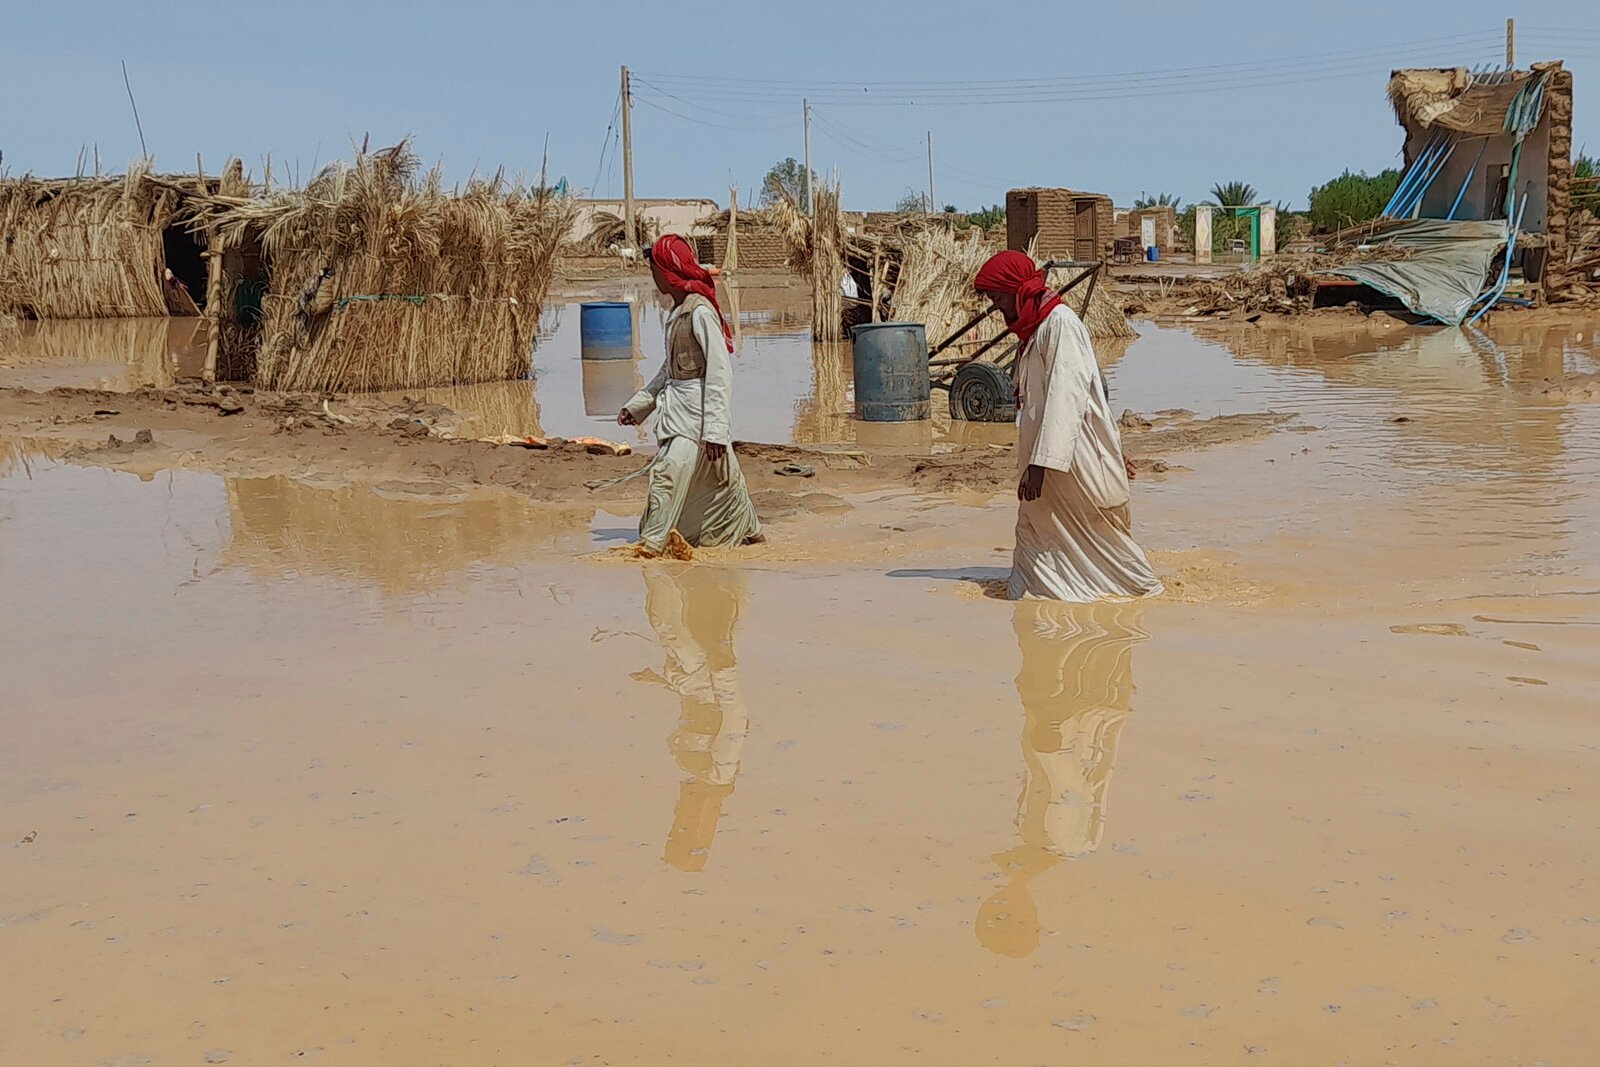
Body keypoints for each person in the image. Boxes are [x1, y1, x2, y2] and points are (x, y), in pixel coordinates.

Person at [973, 251, 1162, 602]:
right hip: (1053, 457)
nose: (997, 309)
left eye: (998, 299)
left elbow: (1069, 395)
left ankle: (1139, 595)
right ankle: (1034, 593)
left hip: (1073, 457)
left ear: (1016, 291)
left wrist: (1042, 464)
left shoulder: (1060, 324)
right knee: (1041, 526)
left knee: (1099, 535)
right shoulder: (1037, 329)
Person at [619, 235, 763, 555]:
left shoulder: (699, 312)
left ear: (668, 271)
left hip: (695, 416)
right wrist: (640, 406)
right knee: (726, 478)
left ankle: (651, 545)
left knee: (667, 475)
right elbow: (669, 369)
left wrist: (714, 430)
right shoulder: (680, 311)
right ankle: (754, 538)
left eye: (654, 268)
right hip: (682, 411)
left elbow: (719, 372)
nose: (652, 276)